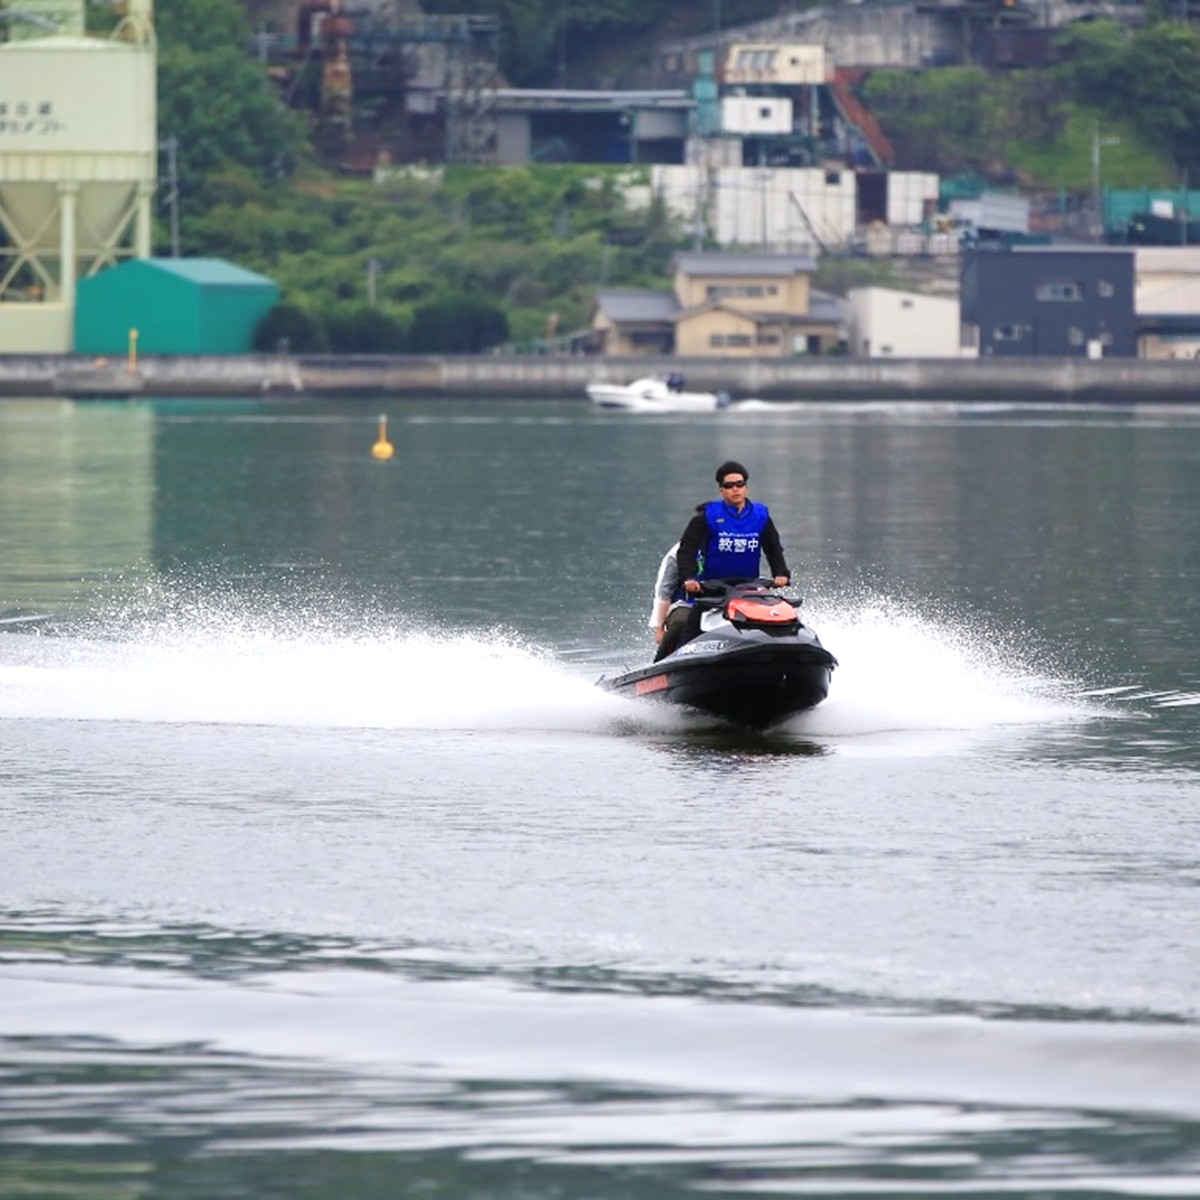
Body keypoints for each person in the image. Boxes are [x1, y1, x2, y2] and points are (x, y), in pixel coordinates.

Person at [678, 460, 790, 597]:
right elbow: (687, 550)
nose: (735, 489)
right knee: (682, 618)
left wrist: (780, 573)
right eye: (729, 486)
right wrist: (688, 578)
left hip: (748, 589)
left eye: (740, 484)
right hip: (709, 590)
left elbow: (773, 549)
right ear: (721, 490)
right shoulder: (706, 516)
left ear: (746, 488)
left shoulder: (761, 516)